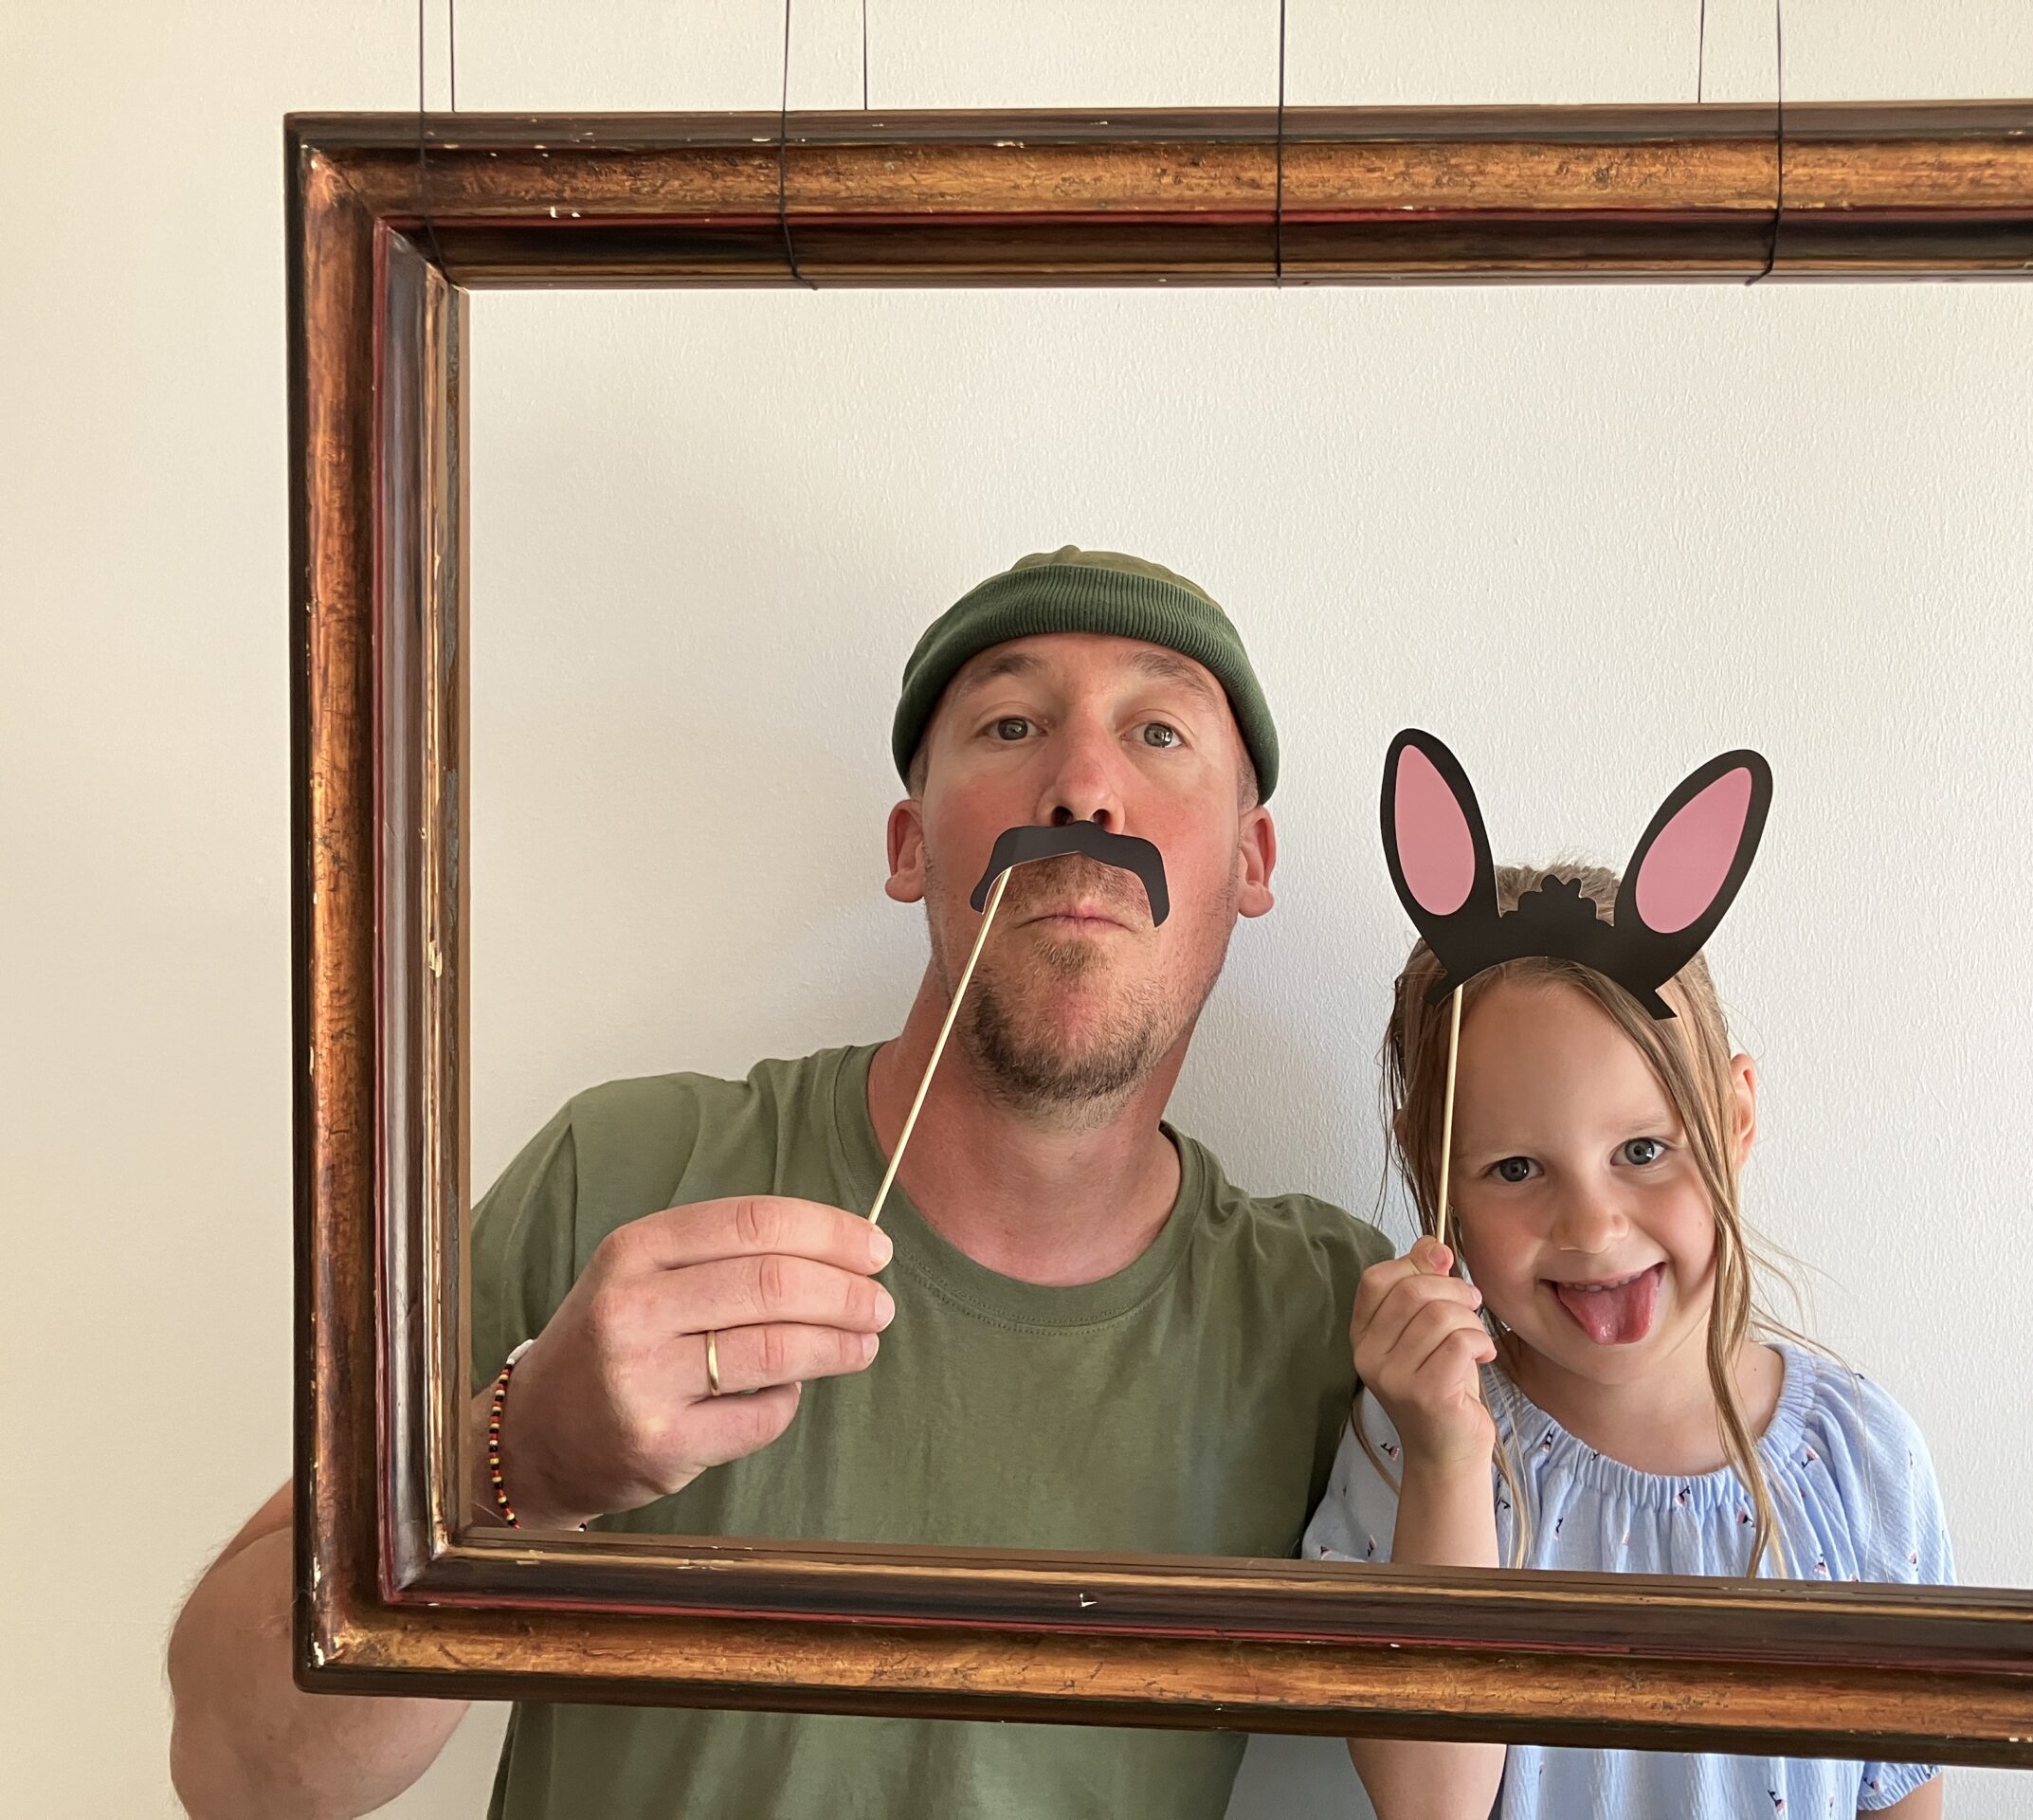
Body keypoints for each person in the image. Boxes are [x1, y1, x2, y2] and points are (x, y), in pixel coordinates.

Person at [168, 547, 1390, 1820]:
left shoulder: (1330, 1314)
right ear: (911, 846)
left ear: (1251, 862)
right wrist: (518, 1464)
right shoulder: (630, 1173)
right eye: (1012, 725)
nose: (1083, 788)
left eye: (1158, 732)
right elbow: (239, 1774)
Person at [1307, 860, 1955, 1820]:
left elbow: (1902, 1797)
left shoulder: (1862, 1460)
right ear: (1430, 1165)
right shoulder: (1411, 1444)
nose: (1593, 1227)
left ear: (1734, 1118)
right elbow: (1428, 1805)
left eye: (1642, 1151)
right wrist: (1448, 1459)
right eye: (1516, 1167)